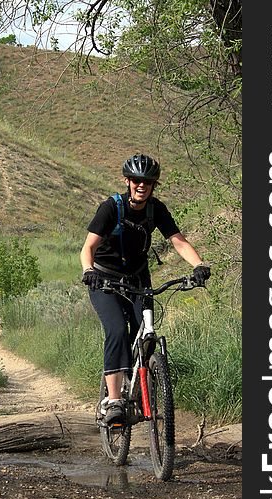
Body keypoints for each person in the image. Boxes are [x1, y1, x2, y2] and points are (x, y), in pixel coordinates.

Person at [80, 153, 210, 426]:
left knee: (146, 332)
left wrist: (198, 265)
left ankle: (142, 387)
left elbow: (178, 241)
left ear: (153, 185)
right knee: (116, 329)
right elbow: (88, 248)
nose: (142, 186)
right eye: (137, 181)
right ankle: (114, 401)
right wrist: (89, 271)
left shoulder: (156, 209)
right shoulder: (110, 208)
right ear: (128, 181)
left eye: (147, 182)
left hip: (138, 280)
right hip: (105, 280)